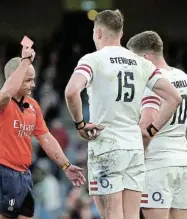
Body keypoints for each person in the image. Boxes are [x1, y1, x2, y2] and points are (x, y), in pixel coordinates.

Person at [64, 9, 182, 219]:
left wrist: (80, 125)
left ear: (98, 33)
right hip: (134, 145)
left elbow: (71, 91)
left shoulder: (93, 59)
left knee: (112, 215)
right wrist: (151, 131)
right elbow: (174, 98)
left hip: (106, 145)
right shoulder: (142, 63)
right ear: (121, 33)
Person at [0, 47, 86, 219]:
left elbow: (45, 137)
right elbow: (7, 92)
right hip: (0, 173)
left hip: (24, 175)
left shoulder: (33, 106)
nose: (33, 84)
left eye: (33, 79)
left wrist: (66, 166)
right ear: (14, 78)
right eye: (28, 80)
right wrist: (25, 62)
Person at [127, 31, 187, 219]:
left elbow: (147, 124)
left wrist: (137, 158)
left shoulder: (153, 82)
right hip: (182, 159)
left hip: (158, 162)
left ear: (145, 57)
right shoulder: (183, 76)